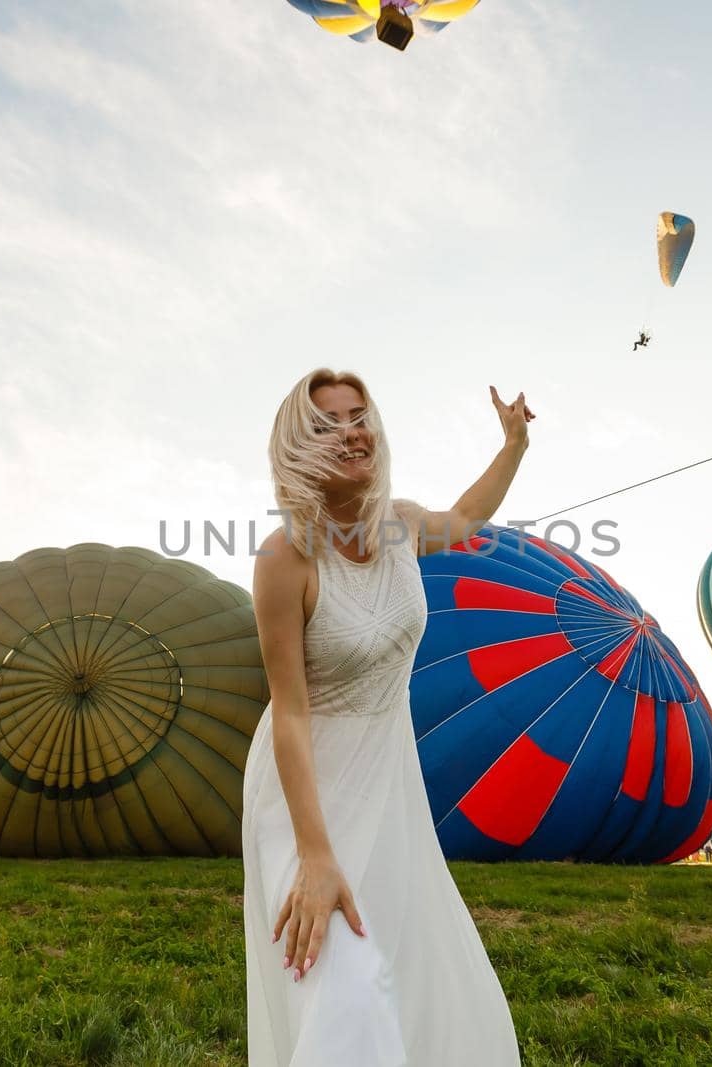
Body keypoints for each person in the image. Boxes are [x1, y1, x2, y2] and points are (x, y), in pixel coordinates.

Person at [242, 368, 531, 1066]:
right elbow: (289, 712)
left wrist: (514, 444)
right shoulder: (285, 559)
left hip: (387, 784)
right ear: (298, 448)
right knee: (341, 985)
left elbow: (465, 518)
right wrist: (315, 853)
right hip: (303, 790)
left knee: (416, 969)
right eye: (328, 422)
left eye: (358, 414)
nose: (352, 430)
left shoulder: (398, 523)